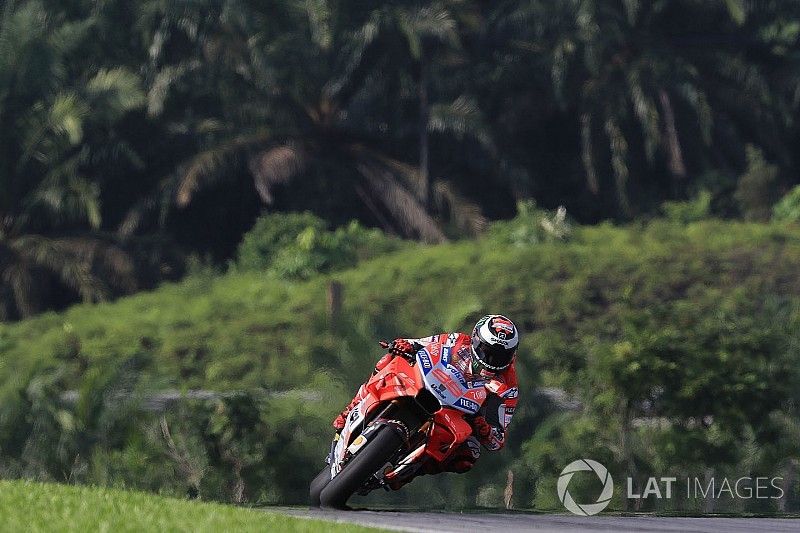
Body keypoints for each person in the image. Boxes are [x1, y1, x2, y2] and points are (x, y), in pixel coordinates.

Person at [332, 314, 520, 483]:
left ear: (511, 355)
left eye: (500, 356)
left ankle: (411, 471)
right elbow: (418, 343)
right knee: (389, 360)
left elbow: (497, 440)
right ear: (475, 340)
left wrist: (484, 429)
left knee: (470, 454)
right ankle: (352, 407)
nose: (491, 360)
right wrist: (404, 345)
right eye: (487, 351)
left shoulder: (509, 388)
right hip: (428, 384)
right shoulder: (456, 340)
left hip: (459, 414)